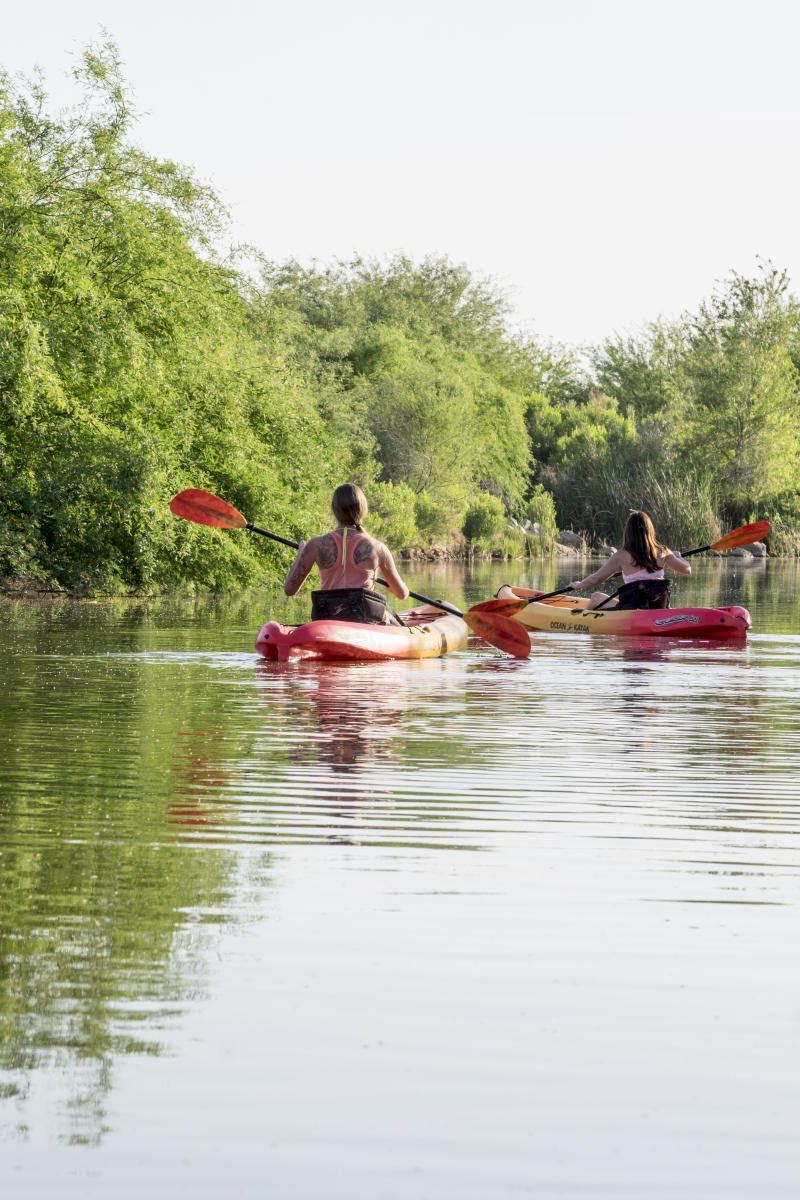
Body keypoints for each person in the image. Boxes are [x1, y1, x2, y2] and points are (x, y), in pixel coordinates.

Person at [283, 484, 409, 624]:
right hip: (365, 622)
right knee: (390, 619)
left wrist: (302, 553)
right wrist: (392, 588)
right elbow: (402, 594)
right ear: (363, 509)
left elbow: (289, 589)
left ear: (333, 509)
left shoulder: (315, 545)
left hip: (328, 620)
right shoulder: (378, 548)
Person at [568, 510, 691, 610]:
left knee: (595, 597)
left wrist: (580, 585)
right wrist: (677, 557)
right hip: (657, 608)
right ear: (650, 531)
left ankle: (582, 619)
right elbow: (687, 569)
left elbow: (597, 578)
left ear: (628, 533)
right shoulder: (663, 552)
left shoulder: (621, 556)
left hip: (631, 610)